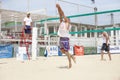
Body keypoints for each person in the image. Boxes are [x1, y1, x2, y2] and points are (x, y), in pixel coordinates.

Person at [56, 4, 76, 68]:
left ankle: (70, 63)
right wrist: (58, 8)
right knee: (62, 51)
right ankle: (72, 56)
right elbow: (60, 14)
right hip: (61, 39)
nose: (65, 18)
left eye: (67, 18)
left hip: (65, 39)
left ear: (68, 20)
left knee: (66, 52)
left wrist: (59, 7)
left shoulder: (68, 24)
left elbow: (63, 14)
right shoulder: (62, 22)